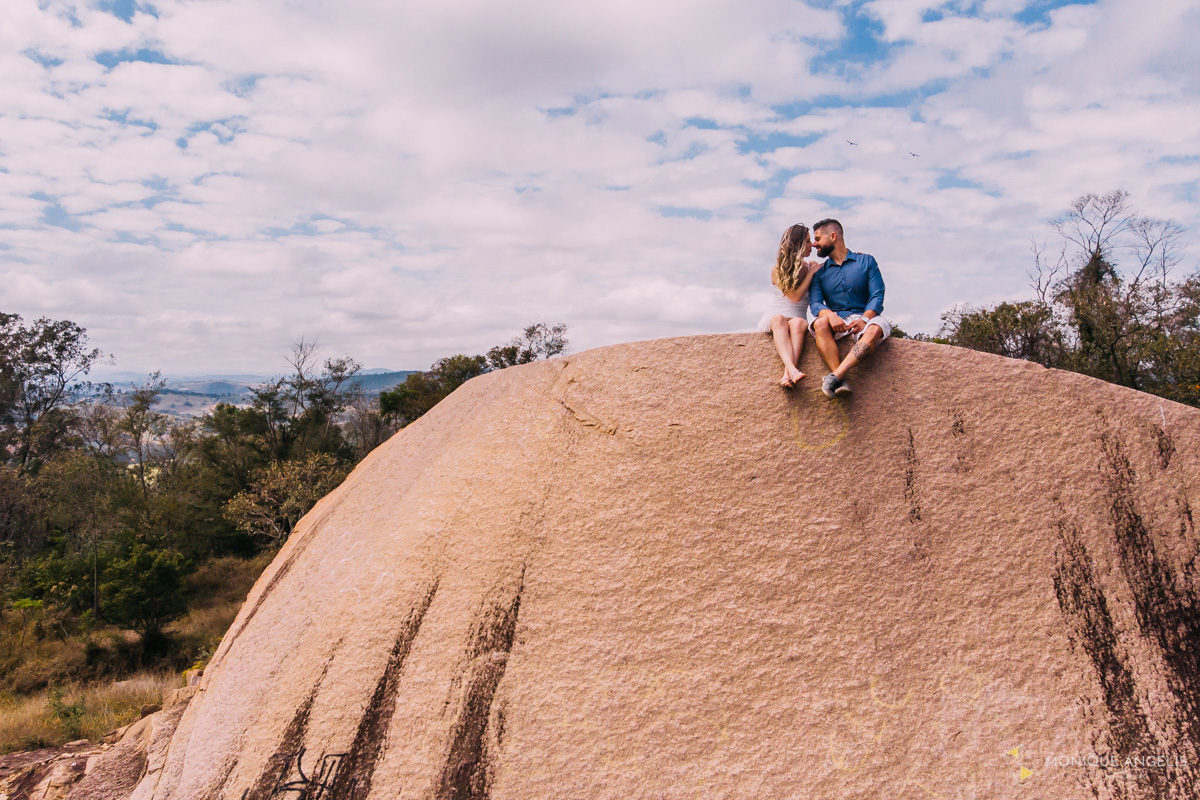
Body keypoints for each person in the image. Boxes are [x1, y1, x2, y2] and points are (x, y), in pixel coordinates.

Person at [807, 218, 892, 398]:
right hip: (837, 319)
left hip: (866, 317)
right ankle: (838, 377)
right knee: (820, 323)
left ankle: (835, 376)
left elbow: (877, 294)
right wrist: (830, 315)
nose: (814, 244)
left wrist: (864, 319)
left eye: (817, 238)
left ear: (833, 236)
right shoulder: (819, 272)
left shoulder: (867, 261)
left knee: (876, 328)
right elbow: (815, 302)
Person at [758, 223, 823, 387]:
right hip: (774, 317)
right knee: (779, 319)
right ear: (799, 244)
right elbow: (795, 297)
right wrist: (810, 274)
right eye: (808, 241)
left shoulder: (811, 265)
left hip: (797, 318)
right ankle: (792, 369)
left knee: (799, 322)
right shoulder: (777, 269)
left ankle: (788, 375)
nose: (812, 245)